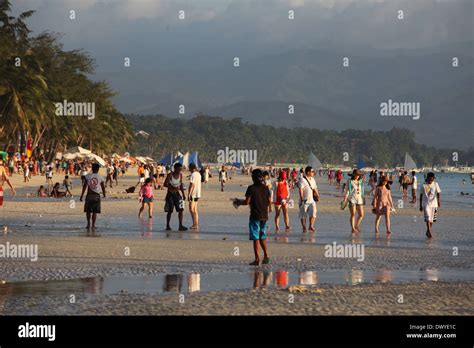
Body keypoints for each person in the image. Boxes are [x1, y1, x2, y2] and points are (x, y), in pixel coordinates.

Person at [233, 169, 271, 266]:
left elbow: (247, 202)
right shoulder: (266, 188)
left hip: (255, 216)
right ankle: (266, 255)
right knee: (263, 236)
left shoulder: (251, 188)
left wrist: (238, 202)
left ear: (253, 178)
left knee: (256, 238)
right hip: (264, 216)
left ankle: (257, 259)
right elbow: (269, 202)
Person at [80, 163, 106, 231]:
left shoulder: (88, 176)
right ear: (98, 169)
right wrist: (104, 194)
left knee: (88, 211)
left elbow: (84, 186)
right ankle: (93, 225)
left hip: (89, 195)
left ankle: (88, 224)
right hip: (96, 195)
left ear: (92, 168)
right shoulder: (100, 177)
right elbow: (103, 187)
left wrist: (82, 195)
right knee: (95, 211)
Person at [164, 163, 187, 231]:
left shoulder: (180, 175)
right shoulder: (170, 175)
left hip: (177, 194)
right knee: (170, 211)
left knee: (181, 209)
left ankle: (180, 225)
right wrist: (173, 187)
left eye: (181, 169)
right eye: (179, 169)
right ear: (175, 168)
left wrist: (183, 194)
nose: (180, 170)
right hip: (170, 194)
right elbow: (165, 184)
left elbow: (181, 185)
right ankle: (167, 225)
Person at [420, 172, 441, 239]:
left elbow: (438, 193)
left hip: (434, 204)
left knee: (431, 220)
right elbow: (421, 195)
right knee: (428, 218)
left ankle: (427, 231)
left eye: (433, 179)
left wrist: (438, 201)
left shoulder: (435, 184)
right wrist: (420, 205)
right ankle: (429, 231)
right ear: (428, 178)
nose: (431, 181)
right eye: (430, 179)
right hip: (426, 204)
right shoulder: (423, 185)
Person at [298, 166, 320, 232]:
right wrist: (301, 198)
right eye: (312, 171)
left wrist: (318, 195)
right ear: (308, 172)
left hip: (312, 200)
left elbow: (315, 188)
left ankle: (311, 226)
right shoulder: (302, 179)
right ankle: (304, 227)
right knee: (303, 215)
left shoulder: (313, 179)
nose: (313, 173)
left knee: (313, 212)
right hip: (304, 200)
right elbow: (300, 189)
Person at [344, 169, 365, 234]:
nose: (357, 176)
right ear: (353, 175)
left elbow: (362, 190)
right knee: (353, 214)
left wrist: (363, 197)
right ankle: (353, 228)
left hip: (359, 199)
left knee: (361, 214)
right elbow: (347, 190)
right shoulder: (350, 181)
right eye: (356, 175)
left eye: (358, 175)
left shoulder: (360, 181)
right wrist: (345, 197)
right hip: (352, 199)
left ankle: (356, 225)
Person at [188, 163, 201, 229]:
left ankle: (195, 224)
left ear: (191, 168)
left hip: (193, 194)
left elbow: (192, 185)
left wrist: (189, 194)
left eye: (189, 168)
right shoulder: (198, 174)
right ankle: (196, 224)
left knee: (191, 209)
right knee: (195, 209)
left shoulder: (193, 175)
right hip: (198, 193)